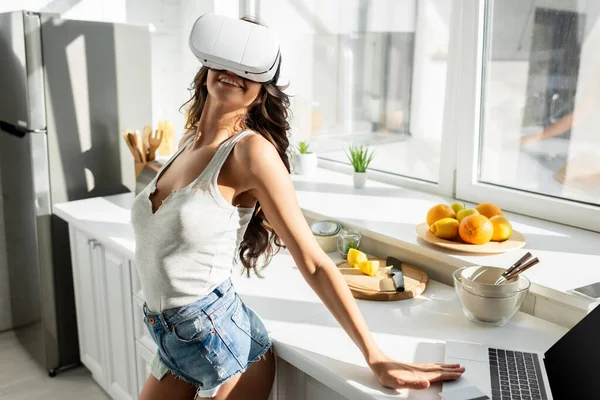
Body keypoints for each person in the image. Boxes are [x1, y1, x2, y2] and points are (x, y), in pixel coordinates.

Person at [131, 16, 464, 400]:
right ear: (207, 61)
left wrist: (375, 356)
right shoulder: (188, 140)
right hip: (172, 337)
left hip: (222, 340)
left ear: (262, 87)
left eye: (249, 67)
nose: (234, 72)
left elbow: (314, 261)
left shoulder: (250, 152)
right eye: (227, 58)